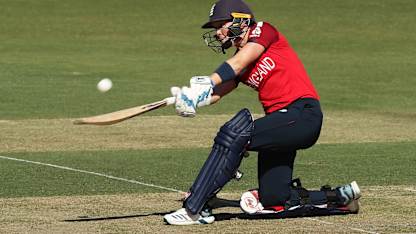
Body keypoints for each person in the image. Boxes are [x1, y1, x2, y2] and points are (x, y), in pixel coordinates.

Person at [164, 0, 361, 225]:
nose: (217, 33)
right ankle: (340, 198)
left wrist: (207, 81)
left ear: (241, 20)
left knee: (233, 134)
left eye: (221, 24)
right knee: (274, 200)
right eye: (215, 28)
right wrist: (190, 98)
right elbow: (217, 92)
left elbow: (237, 63)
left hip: (302, 115)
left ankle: (196, 207)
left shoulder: (264, 31)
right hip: (281, 125)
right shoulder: (240, 58)